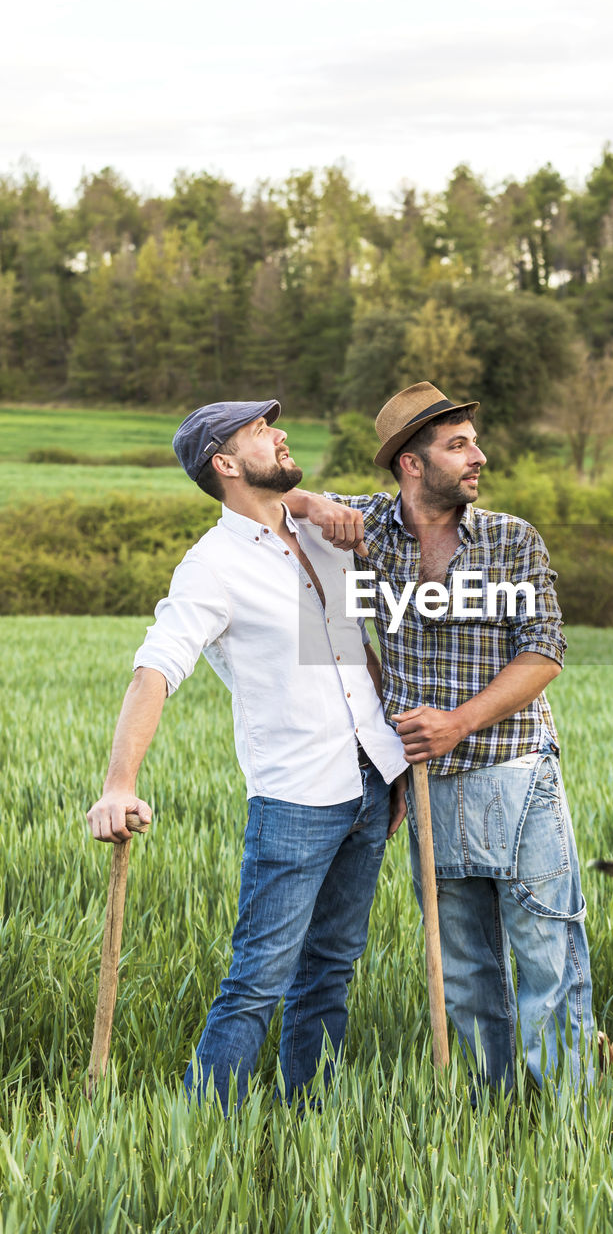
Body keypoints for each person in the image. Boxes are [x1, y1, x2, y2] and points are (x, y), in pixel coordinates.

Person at [87, 399, 407, 1113]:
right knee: (259, 978)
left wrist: (394, 764)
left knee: (331, 969)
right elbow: (156, 668)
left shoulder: (319, 533)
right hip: (295, 797)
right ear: (224, 465)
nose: (281, 432)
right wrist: (119, 783)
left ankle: (309, 1119)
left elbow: (354, 653)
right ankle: (201, 1134)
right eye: (262, 430)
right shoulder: (212, 566)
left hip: (369, 780)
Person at [288, 383, 595, 1095]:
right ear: (411, 465)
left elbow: (544, 652)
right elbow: (272, 507)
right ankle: (496, 1110)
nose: (477, 457)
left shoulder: (510, 539)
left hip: (517, 774)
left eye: (472, 442)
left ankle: (570, 1120)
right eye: (457, 445)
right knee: (464, 969)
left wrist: (456, 722)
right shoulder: (366, 529)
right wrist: (314, 506)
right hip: (430, 788)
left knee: (549, 954)